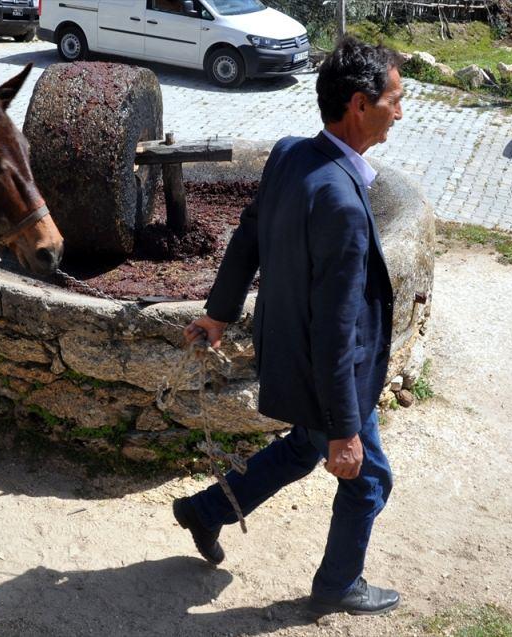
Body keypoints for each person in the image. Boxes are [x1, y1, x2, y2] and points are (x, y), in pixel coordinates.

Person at [172, 36, 405, 616]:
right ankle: (337, 586)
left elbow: (247, 236)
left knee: (303, 448)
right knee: (368, 481)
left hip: (286, 353)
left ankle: (207, 510)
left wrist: (219, 313)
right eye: (395, 100)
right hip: (331, 376)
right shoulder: (345, 208)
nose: (400, 112)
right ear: (358, 103)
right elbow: (337, 330)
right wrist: (346, 428)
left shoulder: (288, 153)